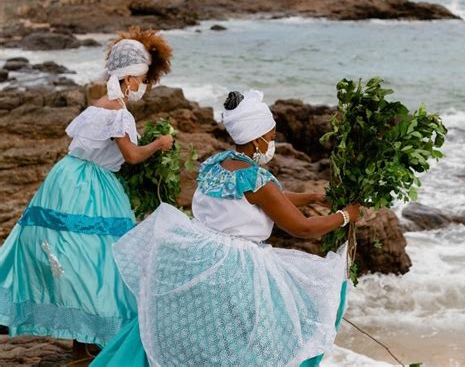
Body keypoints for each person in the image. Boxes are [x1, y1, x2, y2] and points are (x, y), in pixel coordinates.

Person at [92, 89, 361, 367]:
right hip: (235, 268)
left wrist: (311, 197)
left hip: (202, 255)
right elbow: (302, 228)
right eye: (271, 135)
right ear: (257, 140)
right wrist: (345, 216)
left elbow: (262, 200)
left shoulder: (217, 164)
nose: (273, 140)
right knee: (257, 338)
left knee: (193, 331)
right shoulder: (257, 179)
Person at [0, 27, 173, 362]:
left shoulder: (99, 105)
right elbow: (132, 156)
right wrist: (160, 144)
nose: (143, 86)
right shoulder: (118, 113)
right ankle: (88, 338)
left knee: (76, 258)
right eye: (141, 79)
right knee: (100, 260)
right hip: (91, 187)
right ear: (129, 77)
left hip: (66, 178)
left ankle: (83, 340)